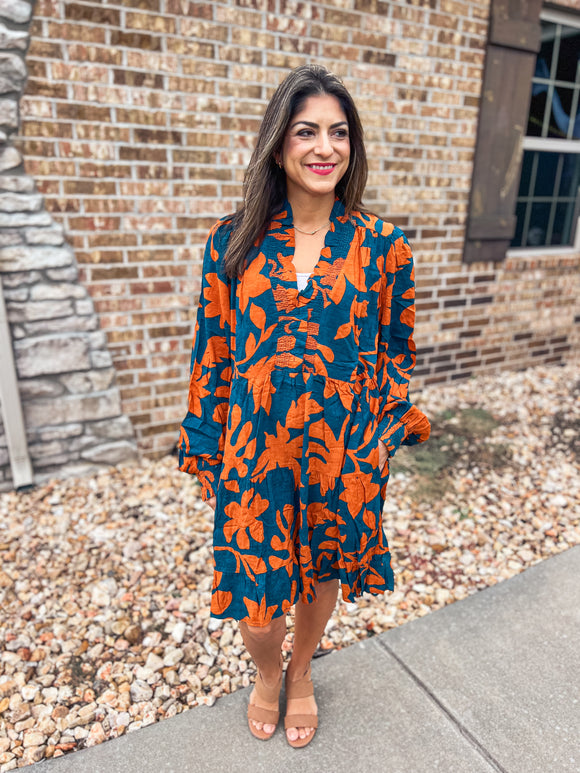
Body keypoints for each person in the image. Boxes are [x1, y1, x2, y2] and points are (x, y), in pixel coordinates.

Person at [178, 64, 430, 748]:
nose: (326, 147)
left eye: (340, 133)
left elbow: (396, 350)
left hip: (343, 447)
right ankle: (267, 670)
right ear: (279, 144)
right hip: (255, 448)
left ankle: (300, 673)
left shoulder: (384, 248)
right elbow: (212, 353)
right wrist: (206, 445)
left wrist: (381, 434)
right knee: (257, 606)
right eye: (307, 131)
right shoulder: (231, 242)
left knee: (320, 570)